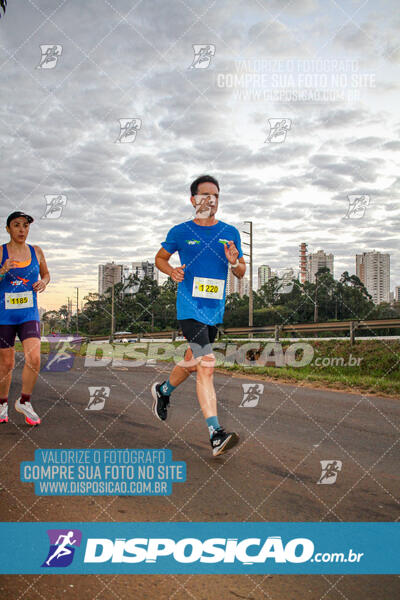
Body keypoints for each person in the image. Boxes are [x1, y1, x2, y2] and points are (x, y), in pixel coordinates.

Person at [152, 175, 246, 456]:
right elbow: (160, 258)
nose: (211, 200)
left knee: (194, 361)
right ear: (193, 200)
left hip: (214, 311)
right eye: (205, 195)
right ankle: (215, 434)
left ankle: (164, 390)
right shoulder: (180, 232)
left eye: (215, 195)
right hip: (189, 307)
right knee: (206, 365)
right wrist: (172, 272)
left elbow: (241, 271)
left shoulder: (230, 232)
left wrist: (234, 263)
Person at [0, 211, 50, 426]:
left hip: (28, 314)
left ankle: (24, 401)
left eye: (25, 226)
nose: (22, 229)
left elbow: (46, 274)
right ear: (8, 229)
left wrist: (44, 283)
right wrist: (2, 270)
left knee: (35, 358)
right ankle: (2, 404)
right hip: (4, 315)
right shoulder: (1, 252)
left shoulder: (36, 251)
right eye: (17, 225)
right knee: (6, 364)